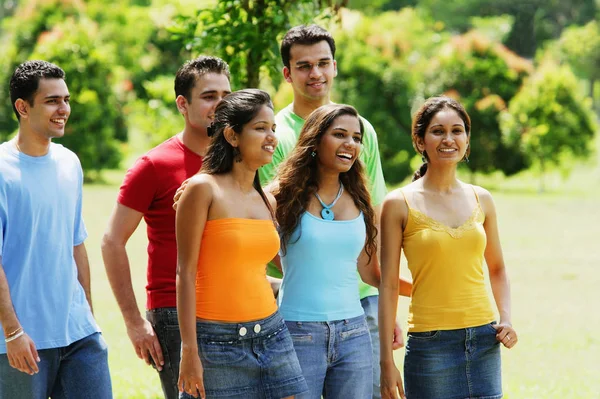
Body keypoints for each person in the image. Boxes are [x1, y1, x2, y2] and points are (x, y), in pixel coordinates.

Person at [258, 24, 410, 399]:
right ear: (287, 73)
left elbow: (372, 215)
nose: (316, 74)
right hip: (301, 309)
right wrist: (314, 269)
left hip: (362, 302)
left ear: (335, 67)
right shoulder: (273, 133)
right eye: (305, 65)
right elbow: (270, 228)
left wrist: (388, 300)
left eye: (323, 63)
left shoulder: (362, 131)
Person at [101, 56, 231, 399]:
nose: (220, 104)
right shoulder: (154, 165)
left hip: (232, 308)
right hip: (173, 313)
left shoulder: (239, 162)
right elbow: (112, 241)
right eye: (209, 96)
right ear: (182, 104)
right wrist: (133, 322)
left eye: (226, 95)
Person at [379, 96, 517, 399]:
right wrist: (386, 361)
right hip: (430, 345)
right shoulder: (398, 203)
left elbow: (497, 267)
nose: (449, 139)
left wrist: (505, 317)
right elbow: (388, 284)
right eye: (438, 131)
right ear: (420, 140)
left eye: (457, 131)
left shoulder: (482, 199)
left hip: (484, 339)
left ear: (467, 139)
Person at [176, 89, 307, 399]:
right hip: (216, 342)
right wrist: (189, 349)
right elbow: (185, 273)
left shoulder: (267, 200)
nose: (272, 137)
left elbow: (252, 269)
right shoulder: (201, 190)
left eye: (273, 128)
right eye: (260, 128)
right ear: (232, 136)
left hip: (272, 335)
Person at [0, 60, 112, 398]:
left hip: (79, 334)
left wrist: (88, 315)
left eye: (65, 99)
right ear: (22, 107)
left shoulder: (69, 163)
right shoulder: (2, 168)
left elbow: (76, 243)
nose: (63, 109)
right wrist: (12, 331)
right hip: (22, 340)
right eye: (52, 101)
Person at [274, 103, 381, 398]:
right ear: (315, 139)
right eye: (340, 134)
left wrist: (422, 289)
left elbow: (371, 271)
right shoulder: (279, 196)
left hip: (354, 334)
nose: (350, 144)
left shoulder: (361, 202)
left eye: (356, 138)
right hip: (297, 333)